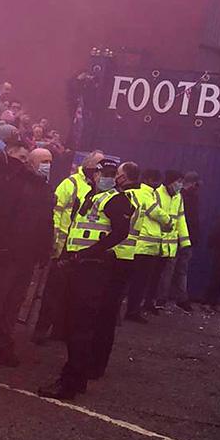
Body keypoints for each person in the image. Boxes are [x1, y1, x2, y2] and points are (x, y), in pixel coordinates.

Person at [38, 160, 136, 400]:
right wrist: (68, 256)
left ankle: (69, 382)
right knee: (73, 325)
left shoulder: (116, 199)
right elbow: (77, 230)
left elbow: (120, 232)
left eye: (113, 174)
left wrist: (90, 253)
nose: (107, 177)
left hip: (93, 270)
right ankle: (76, 379)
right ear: (95, 175)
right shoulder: (92, 197)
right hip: (79, 267)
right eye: (104, 173)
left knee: (80, 327)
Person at [0, 145, 53, 368]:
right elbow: (1, 217)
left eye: (50, 161)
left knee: (14, 304)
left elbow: (46, 223)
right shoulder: (15, 184)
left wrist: (44, 250)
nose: (48, 165)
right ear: (31, 163)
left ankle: (2, 345)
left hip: (28, 257)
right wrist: (1, 246)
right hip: (8, 255)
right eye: (44, 161)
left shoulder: (44, 189)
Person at [33, 150, 104, 342]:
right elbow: (54, 211)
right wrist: (54, 240)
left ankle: (59, 330)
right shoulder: (71, 183)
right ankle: (41, 329)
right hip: (63, 245)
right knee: (53, 291)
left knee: (71, 292)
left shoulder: (98, 189)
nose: (100, 170)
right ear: (89, 165)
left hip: (80, 248)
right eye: (98, 165)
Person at [89, 162, 141, 380]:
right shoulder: (145, 195)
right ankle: (97, 364)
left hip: (116, 259)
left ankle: (94, 365)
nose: (115, 178)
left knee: (103, 315)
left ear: (125, 177)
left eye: (117, 174)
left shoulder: (124, 198)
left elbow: (119, 230)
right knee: (107, 316)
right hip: (125, 258)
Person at [123, 169, 173, 323]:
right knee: (139, 282)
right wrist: (168, 221)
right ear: (150, 180)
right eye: (156, 181)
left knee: (132, 281)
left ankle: (127, 310)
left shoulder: (135, 192)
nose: (158, 185)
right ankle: (132, 311)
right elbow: (156, 212)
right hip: (145, 247)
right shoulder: (145, 193)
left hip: (138, 246)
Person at [150, 170, 190, 313]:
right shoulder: (156, 194)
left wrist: (185, 243)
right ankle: (148, 301)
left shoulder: (178, 197)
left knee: (165, 275)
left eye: (181, 182)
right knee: (153, 276)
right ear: (169, 181)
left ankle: (158, 301)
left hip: (170, 246)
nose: (179, 185)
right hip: (156, 243)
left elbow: (181, 219)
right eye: (177, 181)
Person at [173, 171, 201, 312]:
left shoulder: (182, 196)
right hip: (184, 239)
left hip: (180, 239)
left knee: (172, 270)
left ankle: (164, 298)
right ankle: (181, 299)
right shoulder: (187, 197)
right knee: (180, 270)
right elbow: (190, 221)